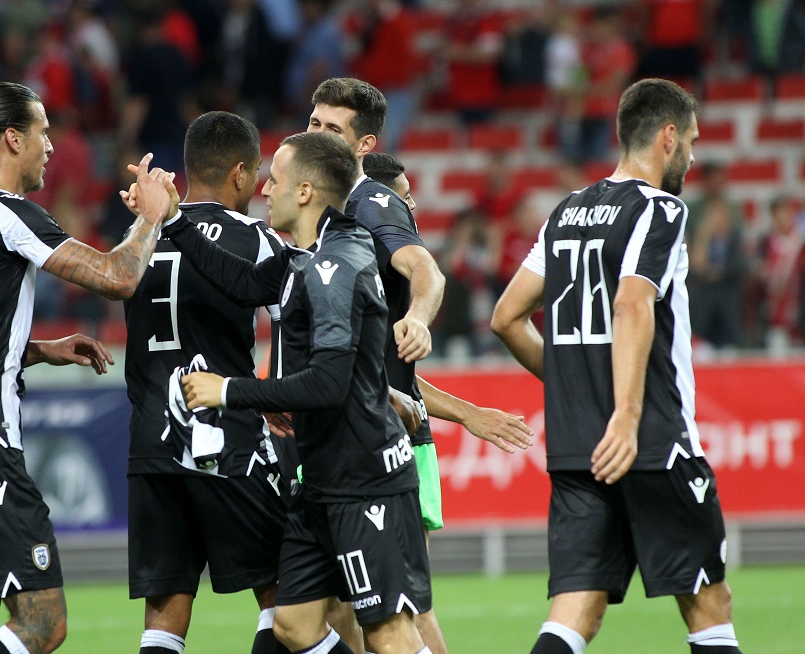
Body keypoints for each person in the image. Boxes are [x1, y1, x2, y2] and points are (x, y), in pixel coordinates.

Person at [125, 130, 433, 654]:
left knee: (387, 633)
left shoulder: (336, 265)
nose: (265, 188)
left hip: (364, 477)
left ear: (306, 192)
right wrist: (172, 219)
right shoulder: (302, 259)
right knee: (294, 625)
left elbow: (329, 383)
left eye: (277, 180)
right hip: (322, 480)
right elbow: (241, 282)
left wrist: (230, 392)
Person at [0, 81, 171, 654]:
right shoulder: (6, 213)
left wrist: (38, 349)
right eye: (43, 133)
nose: (51, 146)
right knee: (42, 621)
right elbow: (118, 277)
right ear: (12, 139)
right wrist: (150, 218)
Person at [491, 78, 743, 654]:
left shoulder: (566, 212)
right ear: (667, 137)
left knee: (576, 611)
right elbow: (632, 303)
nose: (692, 157)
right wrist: (626, 415)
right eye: (691, 142)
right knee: (709, 606)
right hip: (650, 441)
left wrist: (572, 381)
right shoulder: (660, 209)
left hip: (578, 447)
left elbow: (506, 317)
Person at [122, 111, 290, 654]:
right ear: (240, 172)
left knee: (165, 614)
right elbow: (292, 330)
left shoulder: (139, 235)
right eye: (257, 173)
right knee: (286, 595)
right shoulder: (255, 238)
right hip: (225, 438)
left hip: (151, 442)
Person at [362, 151, 535, 654]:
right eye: (404, 195)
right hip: (366, 440)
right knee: (345, 608)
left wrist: (469, 414)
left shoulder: (387, 272)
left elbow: (395, 380)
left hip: (391, 445)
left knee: (403, 603)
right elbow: (390, 377)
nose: (412, 205)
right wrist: (469, 414)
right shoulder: (356, 260)